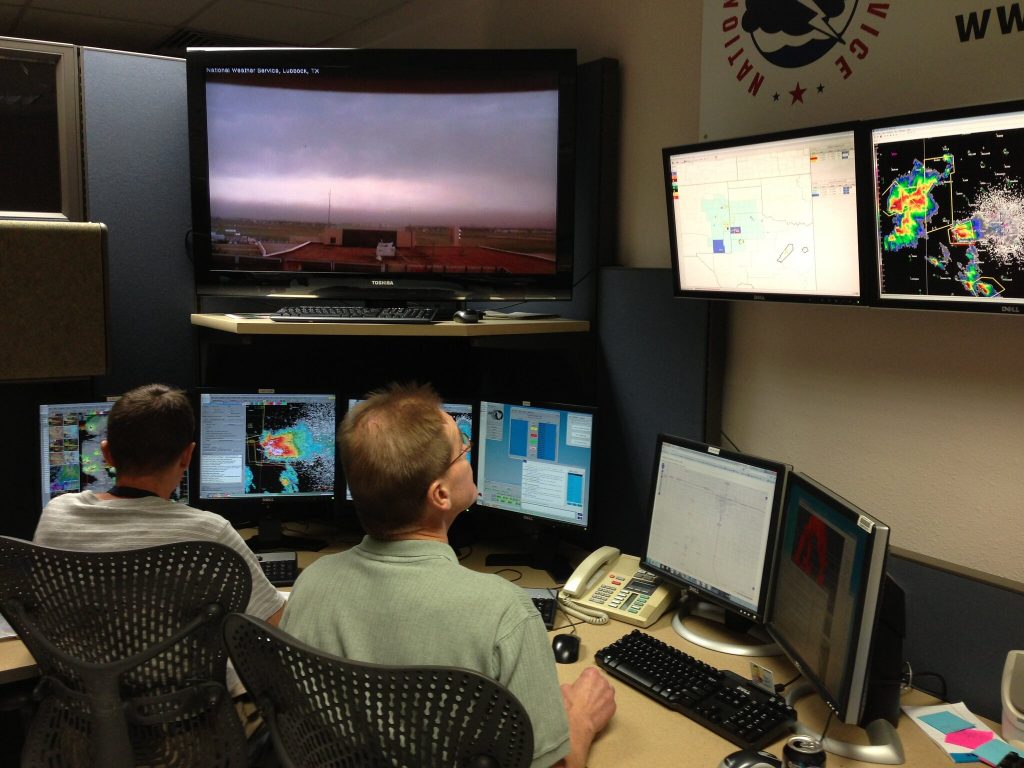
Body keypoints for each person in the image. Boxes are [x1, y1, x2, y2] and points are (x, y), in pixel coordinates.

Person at [280, 382, 615, 768]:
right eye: (464, 449)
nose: (471, 455)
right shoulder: (503, 610)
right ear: (440, 495)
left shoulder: (312, 584)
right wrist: (582, 721)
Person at [33, 383, 286, 627]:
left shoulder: (56, 514)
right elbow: (277, 622)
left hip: (78, 671)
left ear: (106, 454)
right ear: (187, 455)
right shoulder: (210, 534)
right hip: (181, 672)